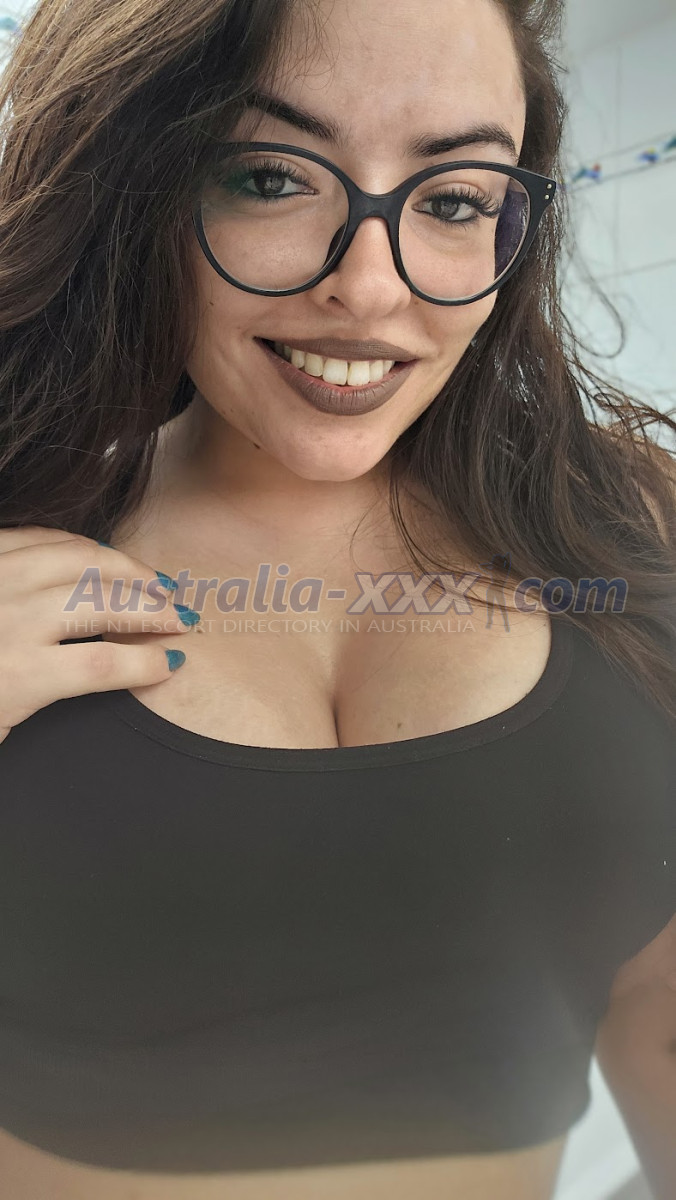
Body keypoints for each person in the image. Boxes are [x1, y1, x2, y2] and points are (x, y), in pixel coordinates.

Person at [0, 0, 674, 1197]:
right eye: (269, 177)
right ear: (141, 184)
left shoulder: (634, 525)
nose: (368, 289)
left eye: (453, 199)